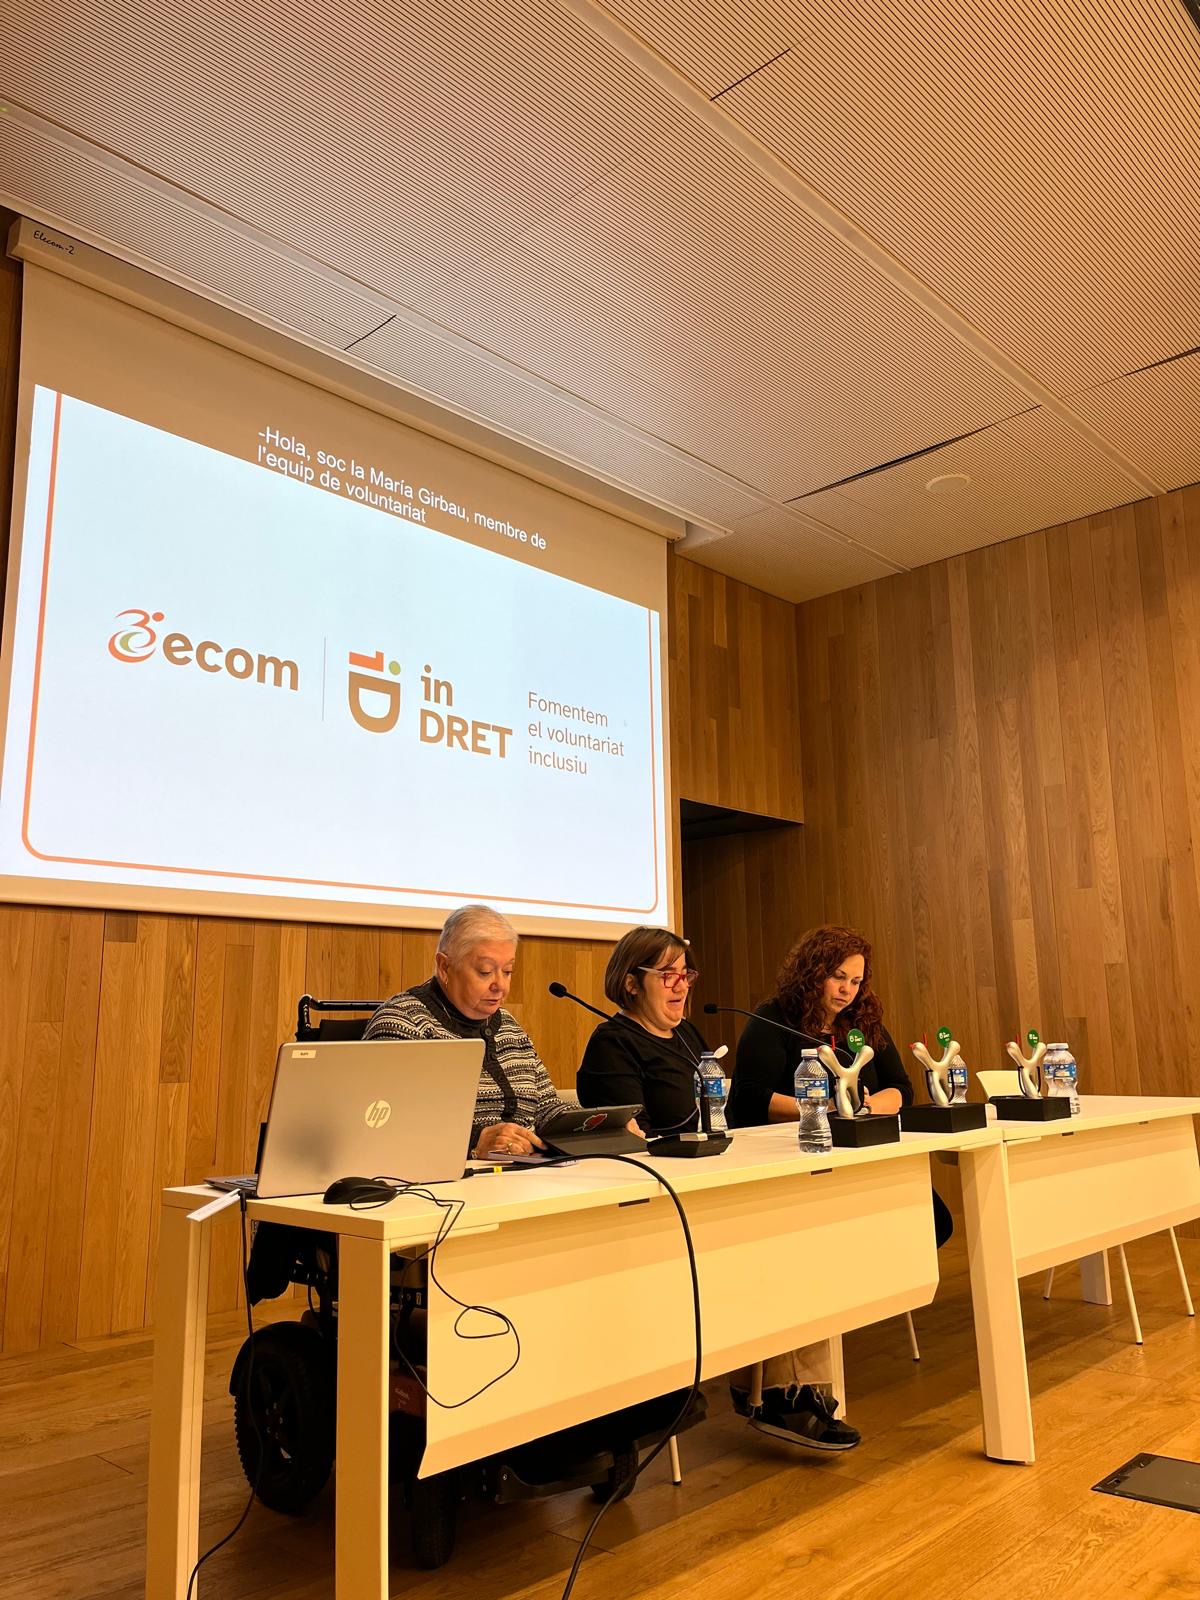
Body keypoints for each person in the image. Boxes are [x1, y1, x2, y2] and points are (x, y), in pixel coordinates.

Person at [577, 926, 859, 1451]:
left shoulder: (689, 1037)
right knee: (780, 1239)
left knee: (800, 1224)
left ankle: (788, 1389)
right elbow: (627, 1142)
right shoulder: (612, 1044)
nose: (681, 985)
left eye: (686, 974)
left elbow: (714, 1120)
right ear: (632, 983)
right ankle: (780, 1393)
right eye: (667, 974)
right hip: (656, 1209)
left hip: (709, 1184)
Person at [727, 923, 953, 1248]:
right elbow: (750, 1098)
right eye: (838, 977)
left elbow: (901, 1088)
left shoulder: (863, 1021)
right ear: (813, 973)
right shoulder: (773, 1018)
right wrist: (825, 1110)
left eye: (856, 982)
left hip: (865, 1147)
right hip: (799, 1155)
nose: (847, 990)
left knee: (935, 1224)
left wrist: (864, 1107)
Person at [364, 903, 566, 1159]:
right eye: (485, 972)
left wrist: (595, 1126)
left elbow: (546, 1108)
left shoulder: (510, 1027)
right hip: (443, 1177)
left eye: (507, 972)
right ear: (444, 967)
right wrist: (475, 1144)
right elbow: (386, 1124)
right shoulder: (403, 1023)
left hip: (527, 1173)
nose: (500, 985)